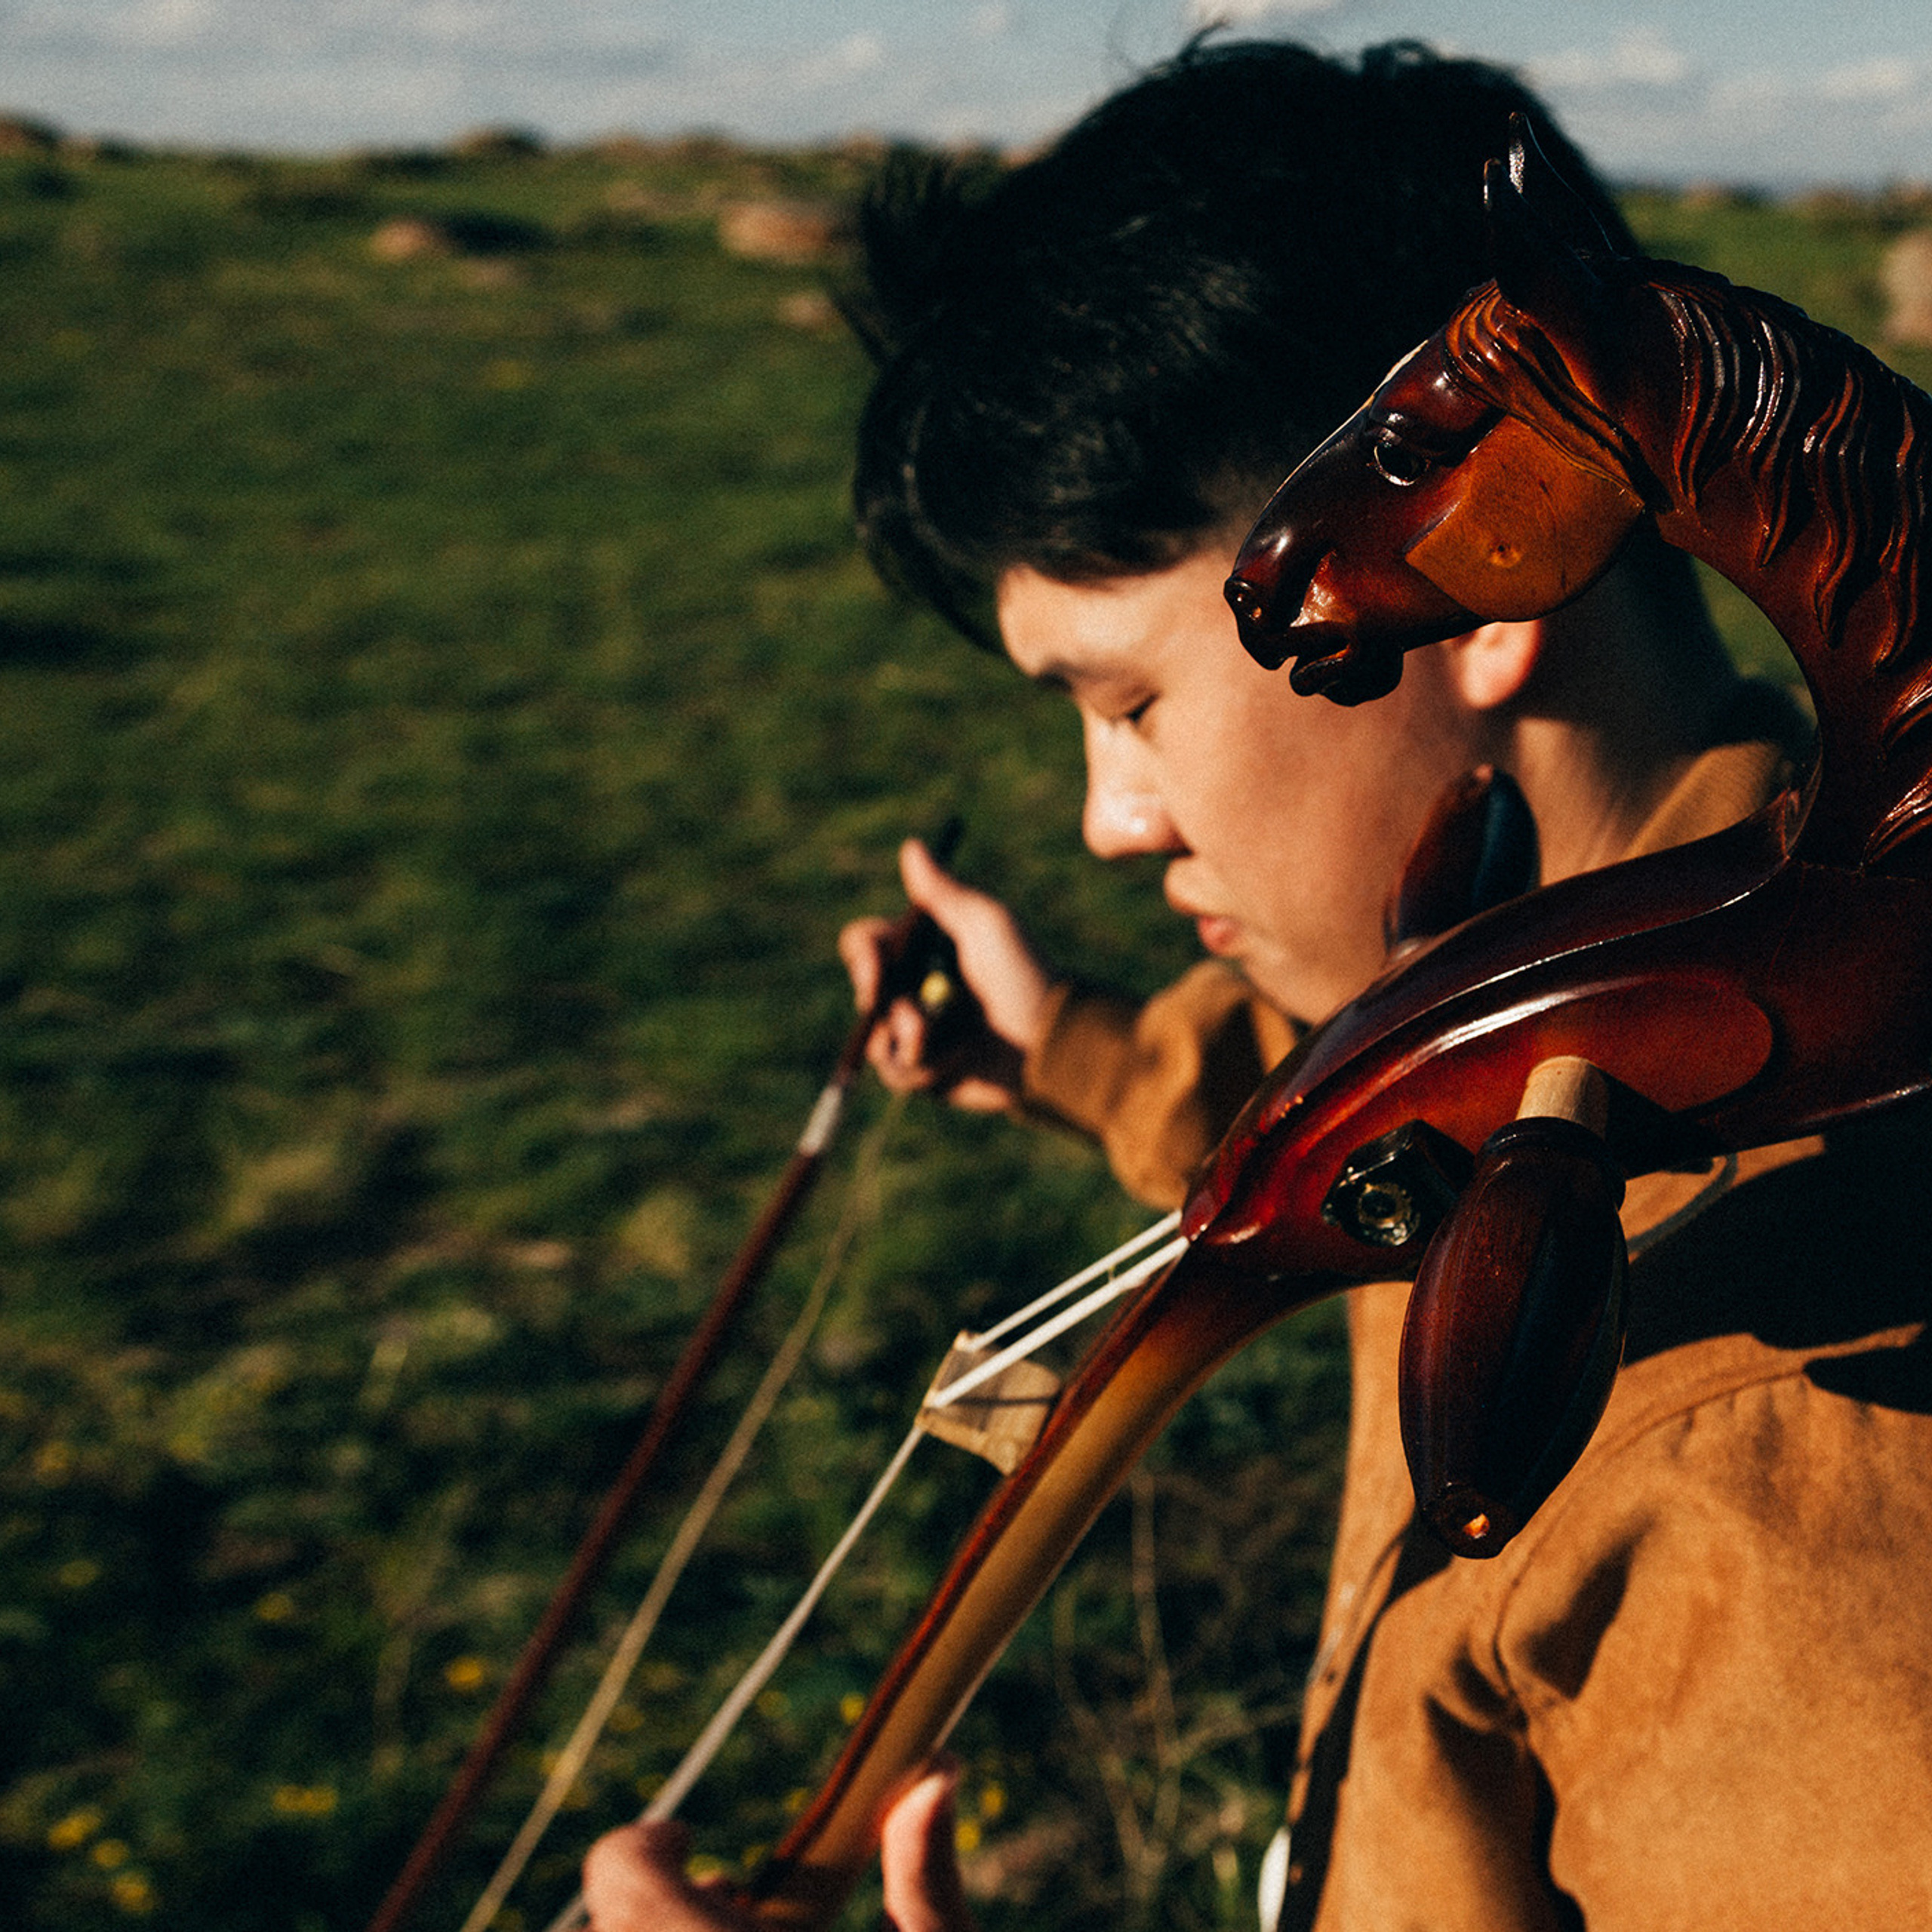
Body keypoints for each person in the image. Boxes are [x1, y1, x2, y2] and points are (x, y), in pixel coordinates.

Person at [588, 37, 1932, 1931]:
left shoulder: (1765, 1463)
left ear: (1482, 561)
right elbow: (1298, 1131)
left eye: (1125, 705)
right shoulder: (1507, 1000)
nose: (1108, 822)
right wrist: (1044, 1046)